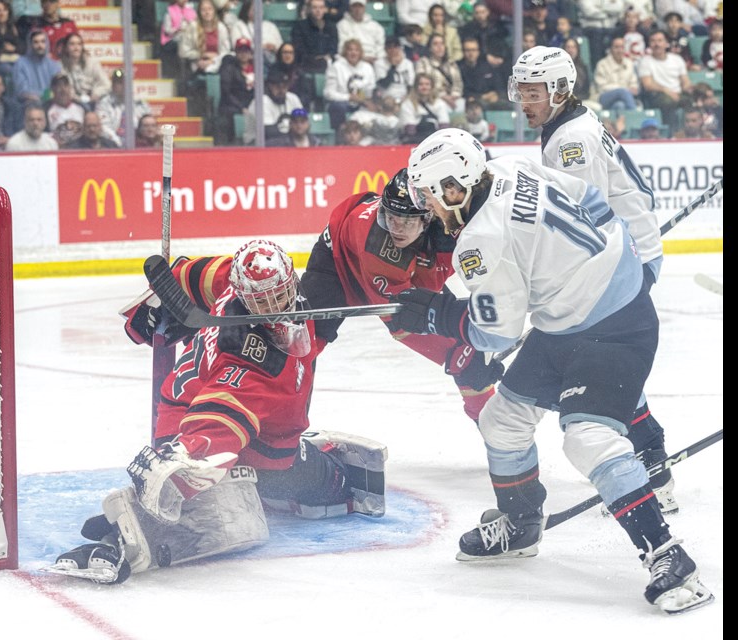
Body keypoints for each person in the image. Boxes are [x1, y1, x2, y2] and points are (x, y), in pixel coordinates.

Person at [391, 128, 715, 614]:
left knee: (587, 436)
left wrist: (441, 316)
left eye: (429, 195)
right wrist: (604, 261)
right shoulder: (510, 166)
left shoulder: (479, 242)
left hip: (614, 330)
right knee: (501, 420)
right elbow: (590, 198)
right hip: (570, 323)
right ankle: (521, 527)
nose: (427, 206)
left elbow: (496, 335)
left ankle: (670, 557)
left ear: (455, 187)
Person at [46, 240, 388, 584]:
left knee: (285, 474)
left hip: (210, 415)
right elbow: (218, 418)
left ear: (292, 282)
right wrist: (183, 462)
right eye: (261, 301)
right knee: (313, 490)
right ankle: (121, 541)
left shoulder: (231, 281)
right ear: (244, 297)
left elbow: (189, 275)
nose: (273, 307)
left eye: (279, 294)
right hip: (208, 431)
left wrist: (158, 300)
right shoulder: (256, 364)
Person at [505, 46, 679, 513]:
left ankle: (652, 463)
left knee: (605, 359)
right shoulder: (568, 124)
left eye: (534, 90)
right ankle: (652, 460)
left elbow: (579, 221)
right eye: (520, 89)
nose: (525, 99)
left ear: (560, 89)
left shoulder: (570, 141)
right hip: (629, 252)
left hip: (623, 261)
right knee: (612, 365)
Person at [300, 168, 501, 426]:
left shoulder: (448, 222)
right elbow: (406, 318)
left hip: (405, 269)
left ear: (429, 217)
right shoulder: (380, 248)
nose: (397, 229)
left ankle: (498, 432)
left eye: (407, 221)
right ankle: (285, 430)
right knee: (301, 344)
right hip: (339, 265)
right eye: (392, 218)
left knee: (468, 359)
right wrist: (463, 343)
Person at [637, 29, 691, 134]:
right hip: (658, 95)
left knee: (691, 99)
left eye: (660, 40)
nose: (656, 44)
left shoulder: (677, 59)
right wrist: (667, 91)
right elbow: (647, 85)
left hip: (678, 93)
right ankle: (672, 134)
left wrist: (687, 88)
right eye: (653, 41)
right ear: (649, 44)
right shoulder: (645, 61)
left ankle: (690, 133)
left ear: (666, 43)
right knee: (668, 102)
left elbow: (685, 80)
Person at [323, 38, 376, 131]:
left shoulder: (367, 68)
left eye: (356, 50)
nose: (353, 53)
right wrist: (349, 97)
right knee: (338, 107)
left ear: (360, 53)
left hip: (362, 103)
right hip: (342, 103)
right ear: (345, 52)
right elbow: (328, 93)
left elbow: (371, 90)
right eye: (350, 50)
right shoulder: (336, 67)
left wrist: (367, 100)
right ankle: (341, 138)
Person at [244, 68, 304, 145]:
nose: (281, 90)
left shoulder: (293, 98)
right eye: (278, 87)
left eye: (284, 86)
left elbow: (303, 122)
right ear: (269, 86)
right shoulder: (260, 102)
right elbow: (268, 132)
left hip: (285, 141)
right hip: (256, 144)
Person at [95, 69, 152, 146]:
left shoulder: (140, 103)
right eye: (119, 83)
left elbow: (149, 122)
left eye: (126, 83)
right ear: (113, 85)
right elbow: (104, 128)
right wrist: (118, 142)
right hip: (112, 144)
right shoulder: (104, 103)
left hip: (139, 143)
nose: (123, 86)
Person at [215, 38, 256, 145]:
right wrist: (241, 107)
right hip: (232, 105)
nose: (243, 54)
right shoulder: (228, 68)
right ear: (236, 52)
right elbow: (226, 92)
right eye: (240, 51)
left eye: (246, 51)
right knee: (227, 117)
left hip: (251, 104)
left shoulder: (256, 68)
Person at [59, 32, 111, 108]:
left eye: (79, 44)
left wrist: (96, 94)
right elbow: (64, 89)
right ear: (66, 48)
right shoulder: (60, 66)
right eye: (72, 44)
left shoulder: (93, 63)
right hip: (72, 103)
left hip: (94, 100)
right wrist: (79, 99)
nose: (76, 48)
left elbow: (106, 84)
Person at [12, 29, 62, 107]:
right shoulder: (21, 63)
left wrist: (46, 97)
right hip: (28, 104)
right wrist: (42, 97)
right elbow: (22, 91)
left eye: (43, 42)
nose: (40, 46)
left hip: (51, 103)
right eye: (36, 42)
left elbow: (57, 88)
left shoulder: (54, 65)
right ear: (30, 44)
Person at [414, 33, 464, 112]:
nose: (439, 47)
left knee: (461, 104)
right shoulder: (423, 63)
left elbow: (458, 83)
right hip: (431, 99)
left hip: (453, 99)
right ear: (430, 48)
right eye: (435, 44)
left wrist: (454, 96)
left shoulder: (451, 63)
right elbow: (421, 84)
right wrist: (443, 97)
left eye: (442, 44)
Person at [399, 71, 451, 143]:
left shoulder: (440, 103)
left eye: (427, 84)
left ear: (432, 86)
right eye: (421, 84)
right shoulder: (407, 104)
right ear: (416, 87)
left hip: (436, 141)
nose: (424, 87)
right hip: (415, 142)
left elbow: (444, 127)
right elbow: (409, 130)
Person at [290, 0, 340, 75]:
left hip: (328, 63)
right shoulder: (299, 26)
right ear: (309, 9)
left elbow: (334, 47)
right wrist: (314, 59)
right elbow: (299, 48)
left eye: (321, 7)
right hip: (306, 64)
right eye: (314, 7)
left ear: (324, 9)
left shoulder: (331, 27)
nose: (318, 10)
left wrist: (327, 57)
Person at [457, 36, 507, 110]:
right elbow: (461, 91)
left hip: (490, 101)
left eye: (473, 50)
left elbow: (498, 85)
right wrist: (480, 97)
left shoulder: (486, 67)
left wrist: (495, 94)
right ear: (463, 52)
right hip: (470, 103)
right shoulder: (458, 68)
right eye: (468, 50)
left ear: (478, 52)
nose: (471, 53)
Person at [592, 36, 639, 112]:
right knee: (622, 92)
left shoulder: (629, 63)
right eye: (616, 47)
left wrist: (633, 88)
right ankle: (636, 116)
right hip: (603, 97)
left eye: (622, 47)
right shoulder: (602, 64)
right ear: (610, 49)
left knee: (620, 106)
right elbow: (602, 87)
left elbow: (634, 84)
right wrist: (623, 89)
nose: (620, 50)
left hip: (625, 98)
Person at [231, 0, 284, 65]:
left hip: (273, 57)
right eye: (254, 9)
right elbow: (237, 46)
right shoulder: (239, 25)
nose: (258, 11)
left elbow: (281, 46)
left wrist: (274, 48)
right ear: (247, 10)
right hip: (250, 59)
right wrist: (262, 47)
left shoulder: (271, 26)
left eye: (260, 8)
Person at [43, 72, 87, 147]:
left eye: (65, 85)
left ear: (70, 88)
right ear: (53, 89)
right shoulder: (46, 109)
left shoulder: (81, 107)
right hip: (57, 149)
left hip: (81, 148)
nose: (63, 89)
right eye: (59, 86)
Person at [337, 0, 386, 67]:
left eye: (360, 6)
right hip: (351, 60)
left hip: (373, 60)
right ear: (350, 8)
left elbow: (380, 47)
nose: (357, 9)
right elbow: (342, 47)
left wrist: (376, 59)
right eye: (355, 6)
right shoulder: (342, 25)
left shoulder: (376, 26)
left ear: (364, 8)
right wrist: (361, 58)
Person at [373, 36, 416, 104]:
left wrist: (404, 99)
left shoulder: (408, 63)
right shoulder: (379, 63)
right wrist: (393, 67)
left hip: (404, 99)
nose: (393, 50)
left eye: (396, 47)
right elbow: (383, 85)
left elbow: (410, 86)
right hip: (386, 99)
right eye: (390, 47)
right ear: (385, 49)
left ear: (400, 48)